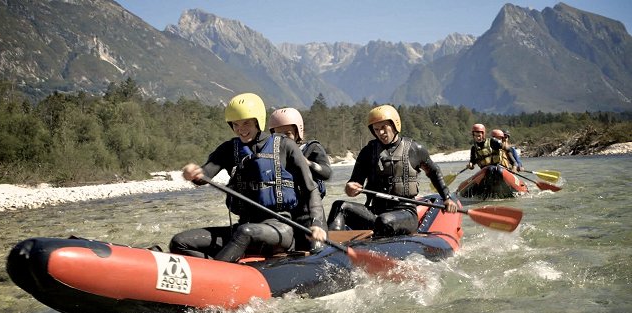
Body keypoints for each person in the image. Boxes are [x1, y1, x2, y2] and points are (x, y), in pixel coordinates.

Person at [169, 93, 327, 262]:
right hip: (243, 227)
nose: (240, 129)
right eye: (235, 124)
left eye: (246, 123)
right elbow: (204, 174)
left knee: (245, 232)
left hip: (280, 228)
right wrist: (193, 173)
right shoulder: (229, 149)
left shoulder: (284, 145)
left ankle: (218, 272)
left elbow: (311, 189)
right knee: (180, 242)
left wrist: (317, 223)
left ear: (258, 121)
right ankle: (215, 273)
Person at [327, 104, 458, 237]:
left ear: (395, 125)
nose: (381, 133)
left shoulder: (415, 149)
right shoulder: (368, 152)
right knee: (340, 206)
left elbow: (433, 172)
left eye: (384, 128)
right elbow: (354, 183)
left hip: (405, 213)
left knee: (384, 221)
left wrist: (446, 197)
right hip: (375, 212)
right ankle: (329, 248)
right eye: (376, 129)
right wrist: (350, 188)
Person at [268, 107, 331, 252]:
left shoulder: (312, 148)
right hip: (286, 218)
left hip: (310, 215)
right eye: (278, 134)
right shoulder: (271, 156)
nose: (283, 138)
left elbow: (326, 172)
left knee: (316, 250)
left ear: (298, 132)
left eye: (288, 133)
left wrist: (306, 162)